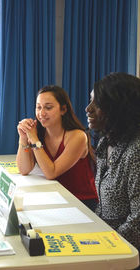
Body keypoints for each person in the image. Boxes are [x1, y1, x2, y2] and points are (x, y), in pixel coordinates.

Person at [17, 85, 98, 211]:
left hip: (81, 202)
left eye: (48, 108)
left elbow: (51, 173)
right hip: (55, 197)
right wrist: (23, 138)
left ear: (63, 109)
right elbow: (24, 169)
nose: (41, 113)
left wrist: (34, 139)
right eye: (38, 107)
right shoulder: (38, 133)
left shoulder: (78, 136)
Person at [85, 72, 140, 251]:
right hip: (106, 238)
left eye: (97, 103)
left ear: (118, 108)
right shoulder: (105, 143)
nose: (88, 108)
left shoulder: (135, 151)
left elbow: (137, 223)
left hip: (125, 251)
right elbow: (103, 207)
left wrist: (104, 245)